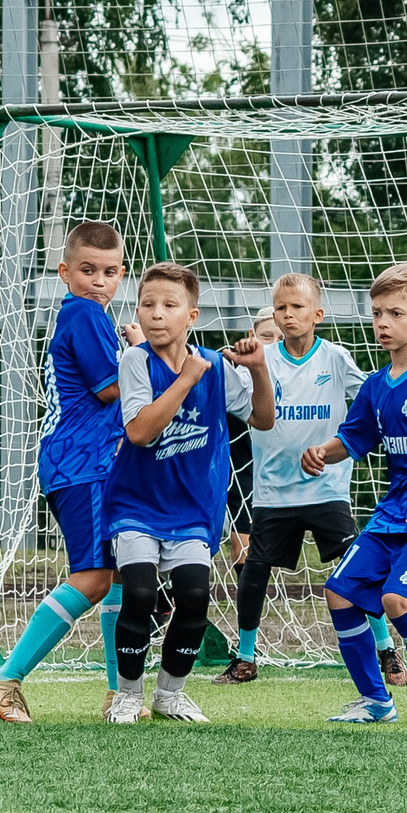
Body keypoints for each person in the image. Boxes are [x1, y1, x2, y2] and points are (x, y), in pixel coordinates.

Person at [299, 260, 407, 726]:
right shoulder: (377, 386)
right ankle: (377, 701)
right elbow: (352, 441)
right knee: (340, 592)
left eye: (395, 313)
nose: (383, 322)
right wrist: (322, 452)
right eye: (377, 312)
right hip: (393, 512)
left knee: (397, 601)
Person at [101, 261, 274, 724]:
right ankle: (127, 694)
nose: (156, 314)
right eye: (147, 304)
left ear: (191, 316)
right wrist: (186, 379)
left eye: (169, 305)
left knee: (195, 597)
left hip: (194, 508)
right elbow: (139, 432)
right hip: (136, 504)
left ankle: (170, 693)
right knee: (139, 594)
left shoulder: (215, 366)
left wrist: (258, 371)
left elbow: (262, 419)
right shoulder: (136, 361)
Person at [212, 273, 404, 687]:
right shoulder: (263, 360)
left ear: (316, 313)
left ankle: (386, 649)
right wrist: (228, 364)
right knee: (254, 571)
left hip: (327, 488)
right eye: (281, 307)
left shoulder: (334, 357)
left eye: (297, 306)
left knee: (358, 569)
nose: (288, 314)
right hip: (273, 491)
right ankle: (245, 658)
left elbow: (372, 396)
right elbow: (235, 400)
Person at [0, 220, 133, 724]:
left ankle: (118, 693)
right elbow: (111, 390)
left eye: (109, 272)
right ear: (65, 272)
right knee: (90, 577)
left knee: (116, 578)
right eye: (87, 270)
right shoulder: (85, 314)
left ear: (121, 274)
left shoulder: (92, 316)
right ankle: (5, 678)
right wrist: (153, 356)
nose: (98, 281)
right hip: (82, 461)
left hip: (91, 460)